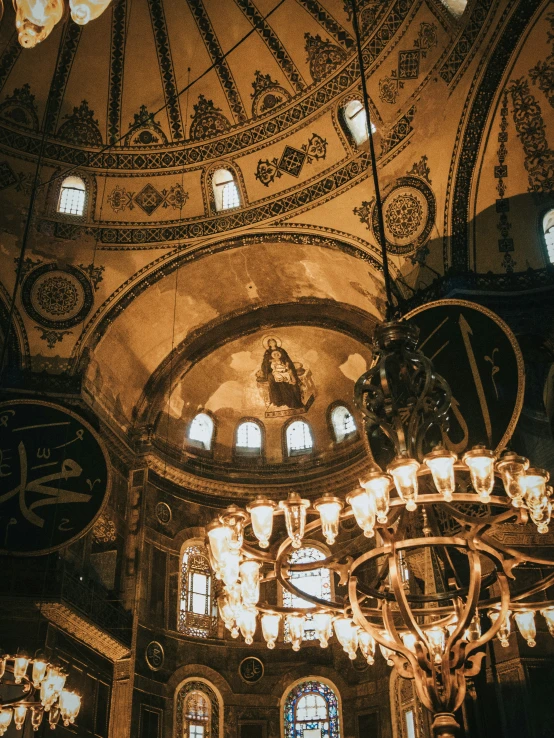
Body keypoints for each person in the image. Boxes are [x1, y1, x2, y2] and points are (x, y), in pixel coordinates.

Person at [257, 339, 304, 409]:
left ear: (276, 342)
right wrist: (271, 361)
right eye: (270, 342)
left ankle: (292, 401)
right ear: (269, 344)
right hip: (274, 371)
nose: (272, 343)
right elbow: (265, 363)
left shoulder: (281, 350)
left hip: (284, 370)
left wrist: (285, 364)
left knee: (289, 379)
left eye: (273, 342)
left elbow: (287, 359)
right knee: (272, 378)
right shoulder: (267, 352)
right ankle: (278, 400)